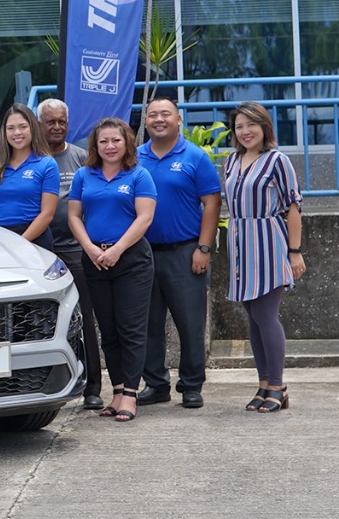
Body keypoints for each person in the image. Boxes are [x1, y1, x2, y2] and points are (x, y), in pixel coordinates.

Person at [67, 117, 157, 423]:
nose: (109, 146)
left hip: (131, 260)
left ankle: (130, 394)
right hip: (94, 259)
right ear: (95, 145)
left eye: (115, 140)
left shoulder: (139, 175)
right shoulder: (83, 175)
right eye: (103, 141)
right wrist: (91, 249)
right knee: (108, 329)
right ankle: (117, 390)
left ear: (127, 143)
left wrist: (117, 249)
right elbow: (74, 216)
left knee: (131, 328)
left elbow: (144, 218)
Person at [136, 97, 223, 410]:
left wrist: (203, 247)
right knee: (147, 323)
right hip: (142, 254)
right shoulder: (135, 157)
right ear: (146, 122)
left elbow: (212, 203)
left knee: (189, 323)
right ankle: (156, 383)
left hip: (185, 252)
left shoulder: (195, 156)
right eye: (153, 115)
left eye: (166, 114)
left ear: (178, 120)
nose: (159, 119)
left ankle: (191, 384)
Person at [225, 101, 305, 413]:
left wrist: (294, 252)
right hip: (240, 243)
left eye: (251, 124)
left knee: (266, 315)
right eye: (239, 126)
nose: (245, 131)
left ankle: (278, 385)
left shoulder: (277, 160)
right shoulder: (232, 161)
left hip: (268, 241)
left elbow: (293, 208)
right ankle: (263, 384)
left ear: (264, 126)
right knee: (252, 317)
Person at [38, 98, 104, 410]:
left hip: (76, 250)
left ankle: (93, 386)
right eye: (50, 121)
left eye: (61, 121)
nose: (56, 127)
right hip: (39, 253)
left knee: (85, 318)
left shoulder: (82, 158)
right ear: (40, 124)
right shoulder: (33, 159)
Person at [0, 102, 59, 251]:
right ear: (4, 132)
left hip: (35, 239)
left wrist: (19, 243)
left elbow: (47, 213)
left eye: (23, 126)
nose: (17, 133)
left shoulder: (47, 164)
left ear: (32, 129)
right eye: (11, 128)